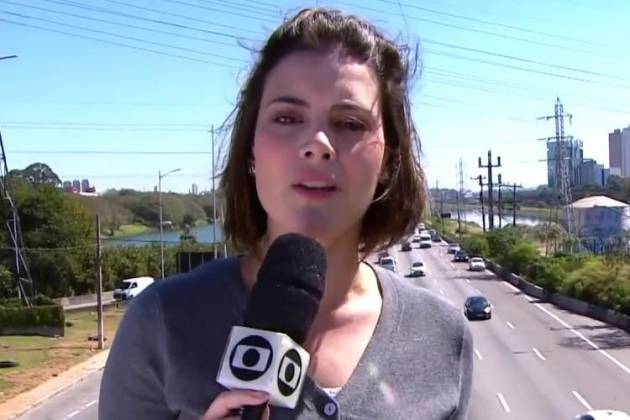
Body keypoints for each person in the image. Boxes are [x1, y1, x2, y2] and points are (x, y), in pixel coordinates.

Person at [99, 7, 473, 420]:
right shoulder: (161, 323)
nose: (317, 144)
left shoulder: (445, 336)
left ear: (389, 160)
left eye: (350, 123)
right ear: (251, 151)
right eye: (287, 117)